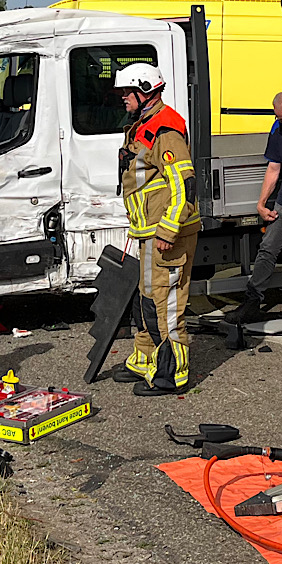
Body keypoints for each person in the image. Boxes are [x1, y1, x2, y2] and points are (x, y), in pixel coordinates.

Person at [109, 63, 198, 397]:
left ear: (144, 90)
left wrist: (166, 231)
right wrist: (143, 228)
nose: (122, 98)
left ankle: (172, 374)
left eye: (126, 92)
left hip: (167, 236)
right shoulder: (143, 125)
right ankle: (146, 360)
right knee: (148, 299)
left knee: (167, 303)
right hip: (150, 233)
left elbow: (184, 186)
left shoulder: (165, 130)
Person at [227, 91, 282, 325]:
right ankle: (252, 302)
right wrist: (261, 203)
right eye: (281, 118)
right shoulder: (278, 130)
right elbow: (274, 168)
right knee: (267, 248)